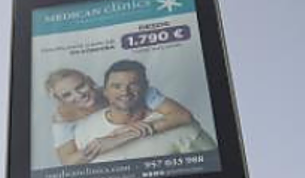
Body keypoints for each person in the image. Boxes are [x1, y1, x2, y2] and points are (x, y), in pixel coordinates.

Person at [44, 66, 197, 166]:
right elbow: (68, 161)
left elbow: (183, 116)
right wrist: (107, 142)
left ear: (89, 81)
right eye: (67, 95)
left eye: (80, 86)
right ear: (59, 99)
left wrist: (126, 134)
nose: (79, 95)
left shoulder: (125, 92)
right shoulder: (62, 118)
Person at [71, 59, 216, 163]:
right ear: (105, 91)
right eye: (116, 86)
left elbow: (213, 170)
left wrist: (124, 136)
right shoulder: (84, 128)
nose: (125, 92)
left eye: (133, 85)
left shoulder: (182, 128)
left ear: (146, 87)